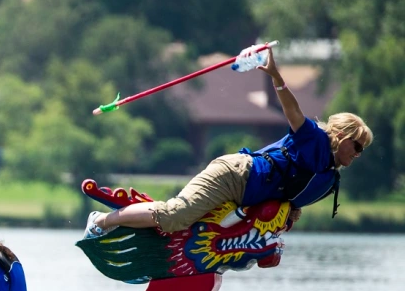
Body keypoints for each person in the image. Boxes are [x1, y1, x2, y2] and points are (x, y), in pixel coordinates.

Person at [85, 50, 373, 237]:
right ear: (341, 137)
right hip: (234, 176)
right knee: (174, 217)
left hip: (242, 198)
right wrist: (274, 75)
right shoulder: (315, 138)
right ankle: (101, 222)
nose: (358, 155)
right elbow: (293, 111)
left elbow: (292, 195)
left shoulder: (328, 175)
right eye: (357, 146)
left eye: (363, 150)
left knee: (193, 231)